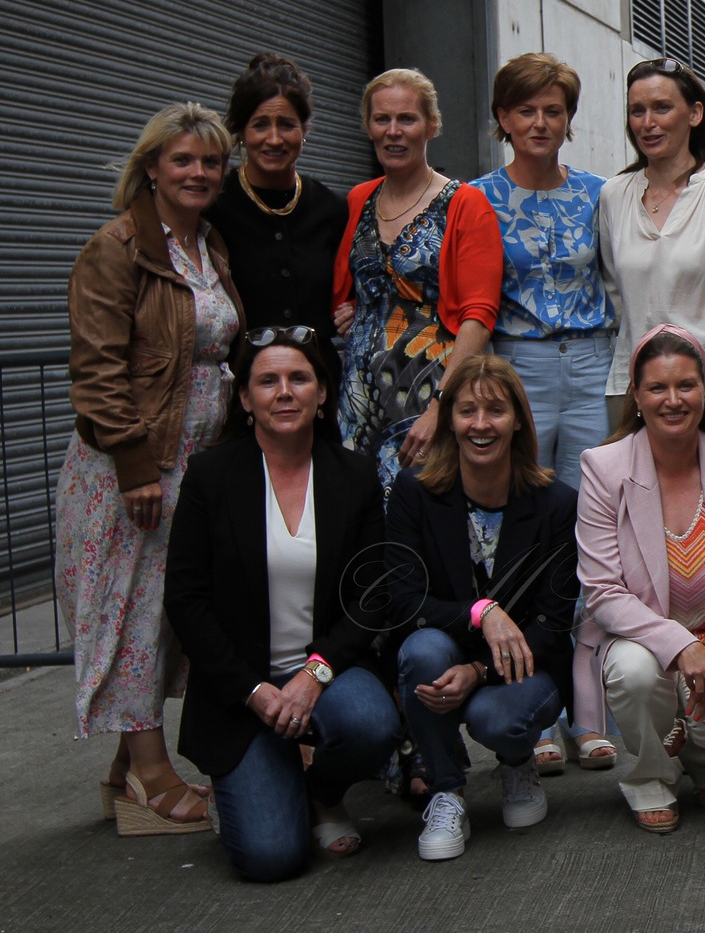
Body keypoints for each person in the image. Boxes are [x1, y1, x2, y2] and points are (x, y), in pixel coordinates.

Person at [58, 103, 245, 836]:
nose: (198, 173)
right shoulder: (118, 247)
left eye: (209, 162)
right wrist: (136, 466)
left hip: (193, 459)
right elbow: (97, 369)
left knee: (167, 612)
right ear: (151, 169)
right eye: (182, 161)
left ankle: (126, 767)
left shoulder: (208, 246)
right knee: (134, 610)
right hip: (133, 466)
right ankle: (150, 771)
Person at [164, 326, 396, 880]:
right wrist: (252, 690)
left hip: (328, 673)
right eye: (267, 381)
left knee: (371, 723)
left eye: (299, 378)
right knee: (271, 859)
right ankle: (264, 780)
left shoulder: (355, 475)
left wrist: (314, 674)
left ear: (321, 395)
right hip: (242, 691)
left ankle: (321, 789)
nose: (284, 392)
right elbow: (186, 599)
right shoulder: (209, 478)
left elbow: (373, 594)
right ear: (245, 399)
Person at [470, 52, 618, 774]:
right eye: (525, 109)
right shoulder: (475, 198)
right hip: (517, 363)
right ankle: (539, 706)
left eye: (552, 110)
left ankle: (590, 699)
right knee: (526, 526)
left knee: (594, 522)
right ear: (503, 117)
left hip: (592, 360)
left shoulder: (599, 194)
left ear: (568, 118)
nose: (539, 122)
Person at [386, 355, 579, 860]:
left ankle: (517, 761)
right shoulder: (414, 493)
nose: (480, 424)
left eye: (495, 411)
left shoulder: (556, 503)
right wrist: (482, 612)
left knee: (500, 720)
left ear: (518, 419)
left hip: (525, 664)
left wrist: (476, 670)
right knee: (423, 650)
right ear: (449, 419)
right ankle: (446, 789)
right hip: (442, 643)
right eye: (467, 411)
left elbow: (553, 623)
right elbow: (403, 602)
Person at [575, 326, 705, 832]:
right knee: (636, 674)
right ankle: (650, 776)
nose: (673, 400)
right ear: (636, 396)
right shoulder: (603, 467)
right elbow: (602, 591)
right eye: (658, 388)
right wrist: (682, 648)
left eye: (686, 386)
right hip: (638, 639)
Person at [331, 69, 502, 491]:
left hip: (431, 394)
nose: (393, 132)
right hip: (359, 398)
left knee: (428, 515)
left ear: (432, 125)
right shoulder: (359, 199)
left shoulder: (465, 204)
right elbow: (351, 285)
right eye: (382, 119)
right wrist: (350, 309)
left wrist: (441, 408)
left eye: (406, 119)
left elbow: (479, 316)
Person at [599, 59, 705, 446]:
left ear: (695, 113)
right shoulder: (614, 194)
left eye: (662, 107)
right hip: (634, 392)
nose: (648, 122)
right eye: (637, 111)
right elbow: (617, 301)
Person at [209, 53, 349, 383]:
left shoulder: (332, 209)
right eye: (260, 125)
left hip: (319, 391)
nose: (274, 139)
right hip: (240, 392)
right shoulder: (213, 207)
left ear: (304, 131)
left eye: (286, 125)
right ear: (240, 132)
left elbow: (354, 290)